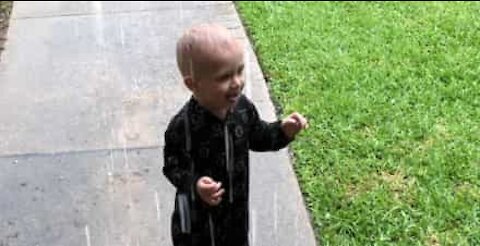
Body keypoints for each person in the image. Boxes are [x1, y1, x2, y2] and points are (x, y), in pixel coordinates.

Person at [163, 23, 308, 246]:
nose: (237, 83)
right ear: (193, 84)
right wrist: (195, 185)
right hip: (196, 222)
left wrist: (282, 131)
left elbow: (259, 136)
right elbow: (172, 166)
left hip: (235, 215)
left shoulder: (242, 108)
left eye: (239, 71)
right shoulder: (182, 126)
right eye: (224, 77)